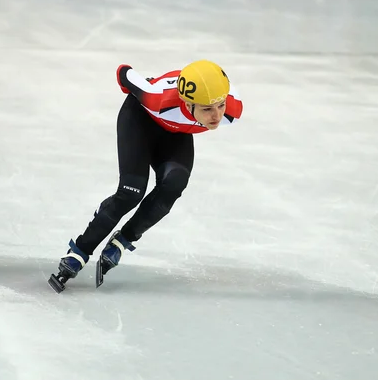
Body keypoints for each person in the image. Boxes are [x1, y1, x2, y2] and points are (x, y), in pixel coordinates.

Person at [48, 59, 244, 293]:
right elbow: (124, 73)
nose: (217, 115)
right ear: (188, 103)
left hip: (175, 132)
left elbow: (217, 102)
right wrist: (144, 84)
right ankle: (79, 251)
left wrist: (213, 105)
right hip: (140, 120)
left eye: (220, 105)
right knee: (131, 192)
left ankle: (123, 241)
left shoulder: (232, 107)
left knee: (174, 185)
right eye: (207, 109)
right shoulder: (156, 97)